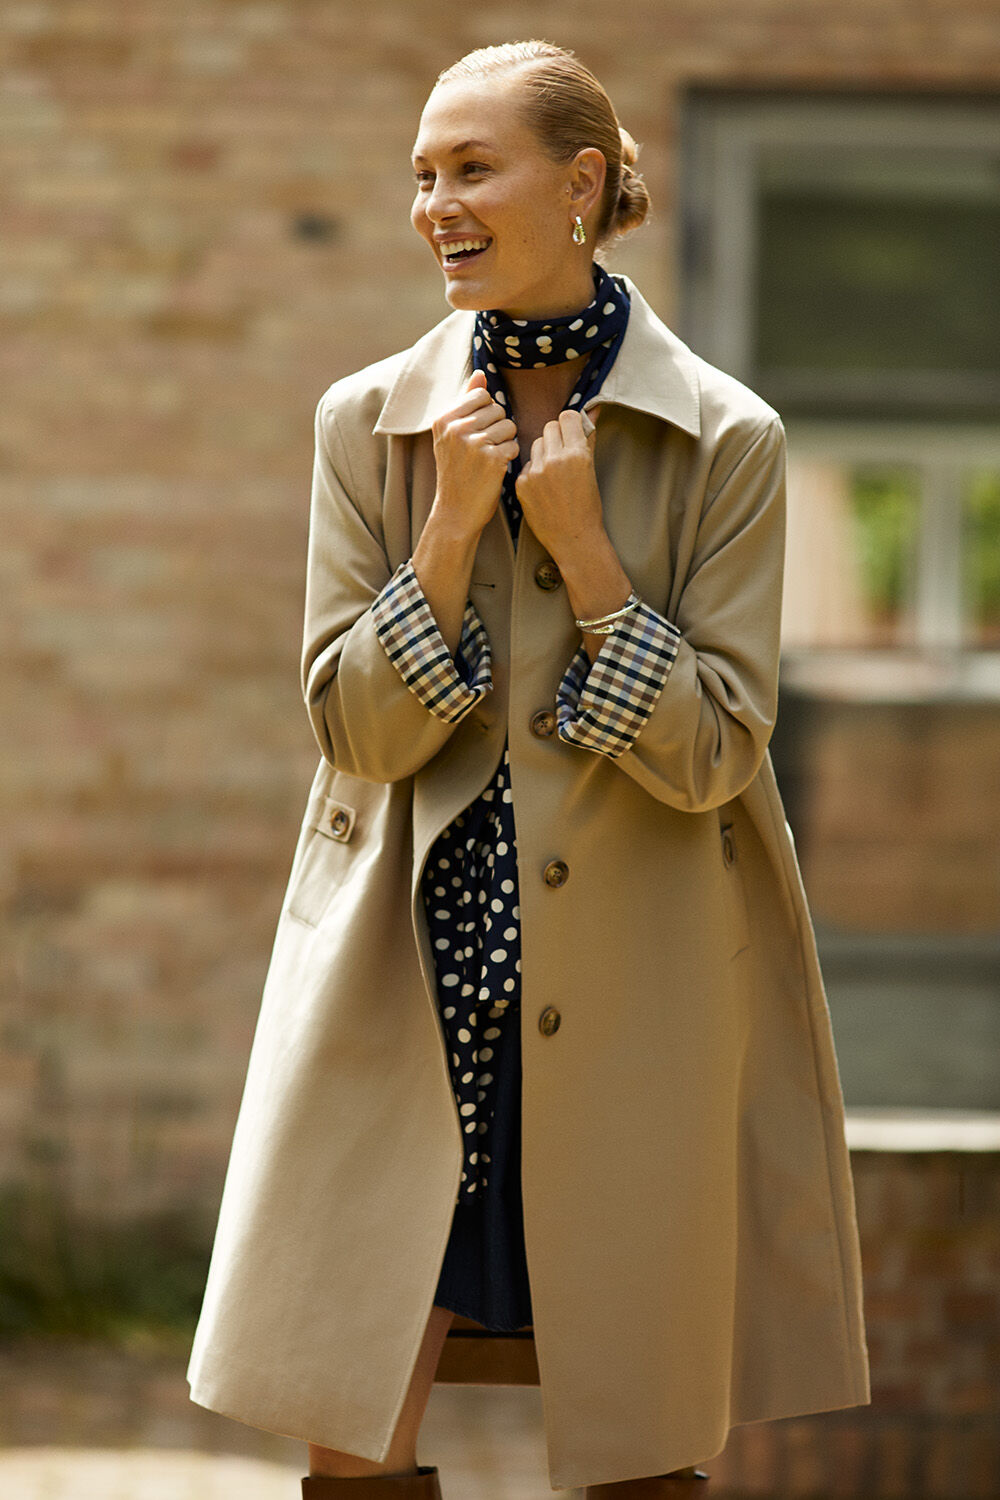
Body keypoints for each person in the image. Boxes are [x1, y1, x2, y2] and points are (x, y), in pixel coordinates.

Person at [186, 40, 871, 1500]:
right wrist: (446, 532)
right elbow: (354, 734)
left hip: (640, 990)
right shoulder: (366, 423)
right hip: (407, 985)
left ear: (579, 187)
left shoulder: (728, 439)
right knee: (351, 1415)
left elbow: (718, 756)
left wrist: (590, 562)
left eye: (471, 168)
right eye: (421, 175)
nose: (437, 202)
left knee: (642, 1428)